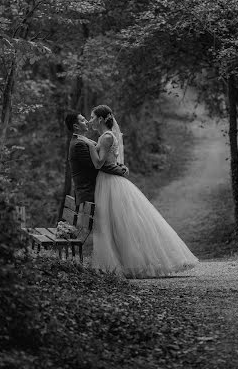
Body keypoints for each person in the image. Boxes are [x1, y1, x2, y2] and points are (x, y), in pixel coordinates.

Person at [80, 104, 198, 278]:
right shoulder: (107, 136)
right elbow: (111, 162)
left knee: (117, 223)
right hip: (107, 182)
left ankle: (124, 265)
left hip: (110, 184)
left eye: (91, 117)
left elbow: (99, 164)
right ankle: (120, 263)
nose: (90, 121)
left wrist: (89, 146)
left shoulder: (105, 137)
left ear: (99, 119)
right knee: (115, 224)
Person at [64, 111, 128, 206]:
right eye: (82, 120)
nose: (87, 121)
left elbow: (105, 159)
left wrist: (119, 165)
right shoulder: (79, 145)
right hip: (88, 194)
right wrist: (120, 171)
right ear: (76, 126)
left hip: (96, 191)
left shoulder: (84, 141)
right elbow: (99, 165)